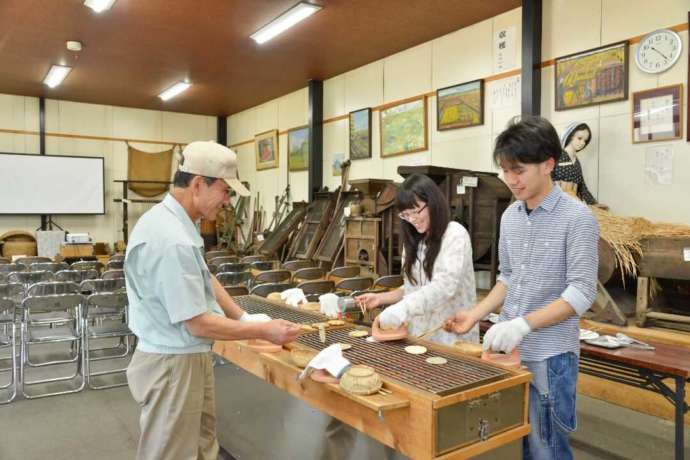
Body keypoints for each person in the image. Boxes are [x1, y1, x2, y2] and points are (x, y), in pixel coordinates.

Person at [125, 141, 301, 460]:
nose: (228, 201)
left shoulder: (179, 224)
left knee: (202, 447)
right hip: (172, 366)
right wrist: (262, 332)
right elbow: (197, 323)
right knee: (172, 453)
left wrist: (243, 318)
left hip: (187, 359)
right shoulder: (171, 239)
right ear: (197, 184)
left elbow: (204, 276)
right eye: (225, 191)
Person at [444, 116, 599, 460]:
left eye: (519, 170)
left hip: (550, 355)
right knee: (515, 442)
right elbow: (509, 278)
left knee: (547, 448)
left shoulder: (578, 218)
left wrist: (524, 324)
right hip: (508, 351)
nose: (511, 180)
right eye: (504, 170)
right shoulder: (510, 216)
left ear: (548, 164)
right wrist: (475, 315)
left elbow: (582, 292)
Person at [358, 173, 478, 345]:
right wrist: (381, 298)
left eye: (415, 211)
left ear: (433, 203)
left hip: (451, 336)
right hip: (420, 335)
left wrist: (403, 309)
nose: (412, 219)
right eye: (405, 215)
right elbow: (413, 288)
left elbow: (444, 287)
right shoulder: (414, 241)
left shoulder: (454, 234)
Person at [551, 122, 603, 207]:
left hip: (573, 205)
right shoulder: (558, 156)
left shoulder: (576, 161)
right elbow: (548, 180)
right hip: (557, 205)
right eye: (579, 138)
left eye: (585, 140)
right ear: (570, 136)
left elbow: (581, 185)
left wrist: (593, 203)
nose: (583, 143)